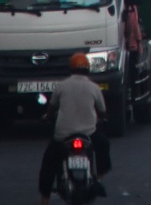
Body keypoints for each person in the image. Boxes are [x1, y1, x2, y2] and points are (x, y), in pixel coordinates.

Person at [35, 53, 109, 205]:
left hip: (63, 135)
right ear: (88, 69)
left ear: (70, 68)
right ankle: (100, 179)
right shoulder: (94, 87)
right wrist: (100, 117)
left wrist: (46, 117)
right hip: (89, 133)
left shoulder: (61, 86)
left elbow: (51, 109)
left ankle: (45, 199)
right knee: (103, 145)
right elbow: (102, 111)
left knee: (48, 164)